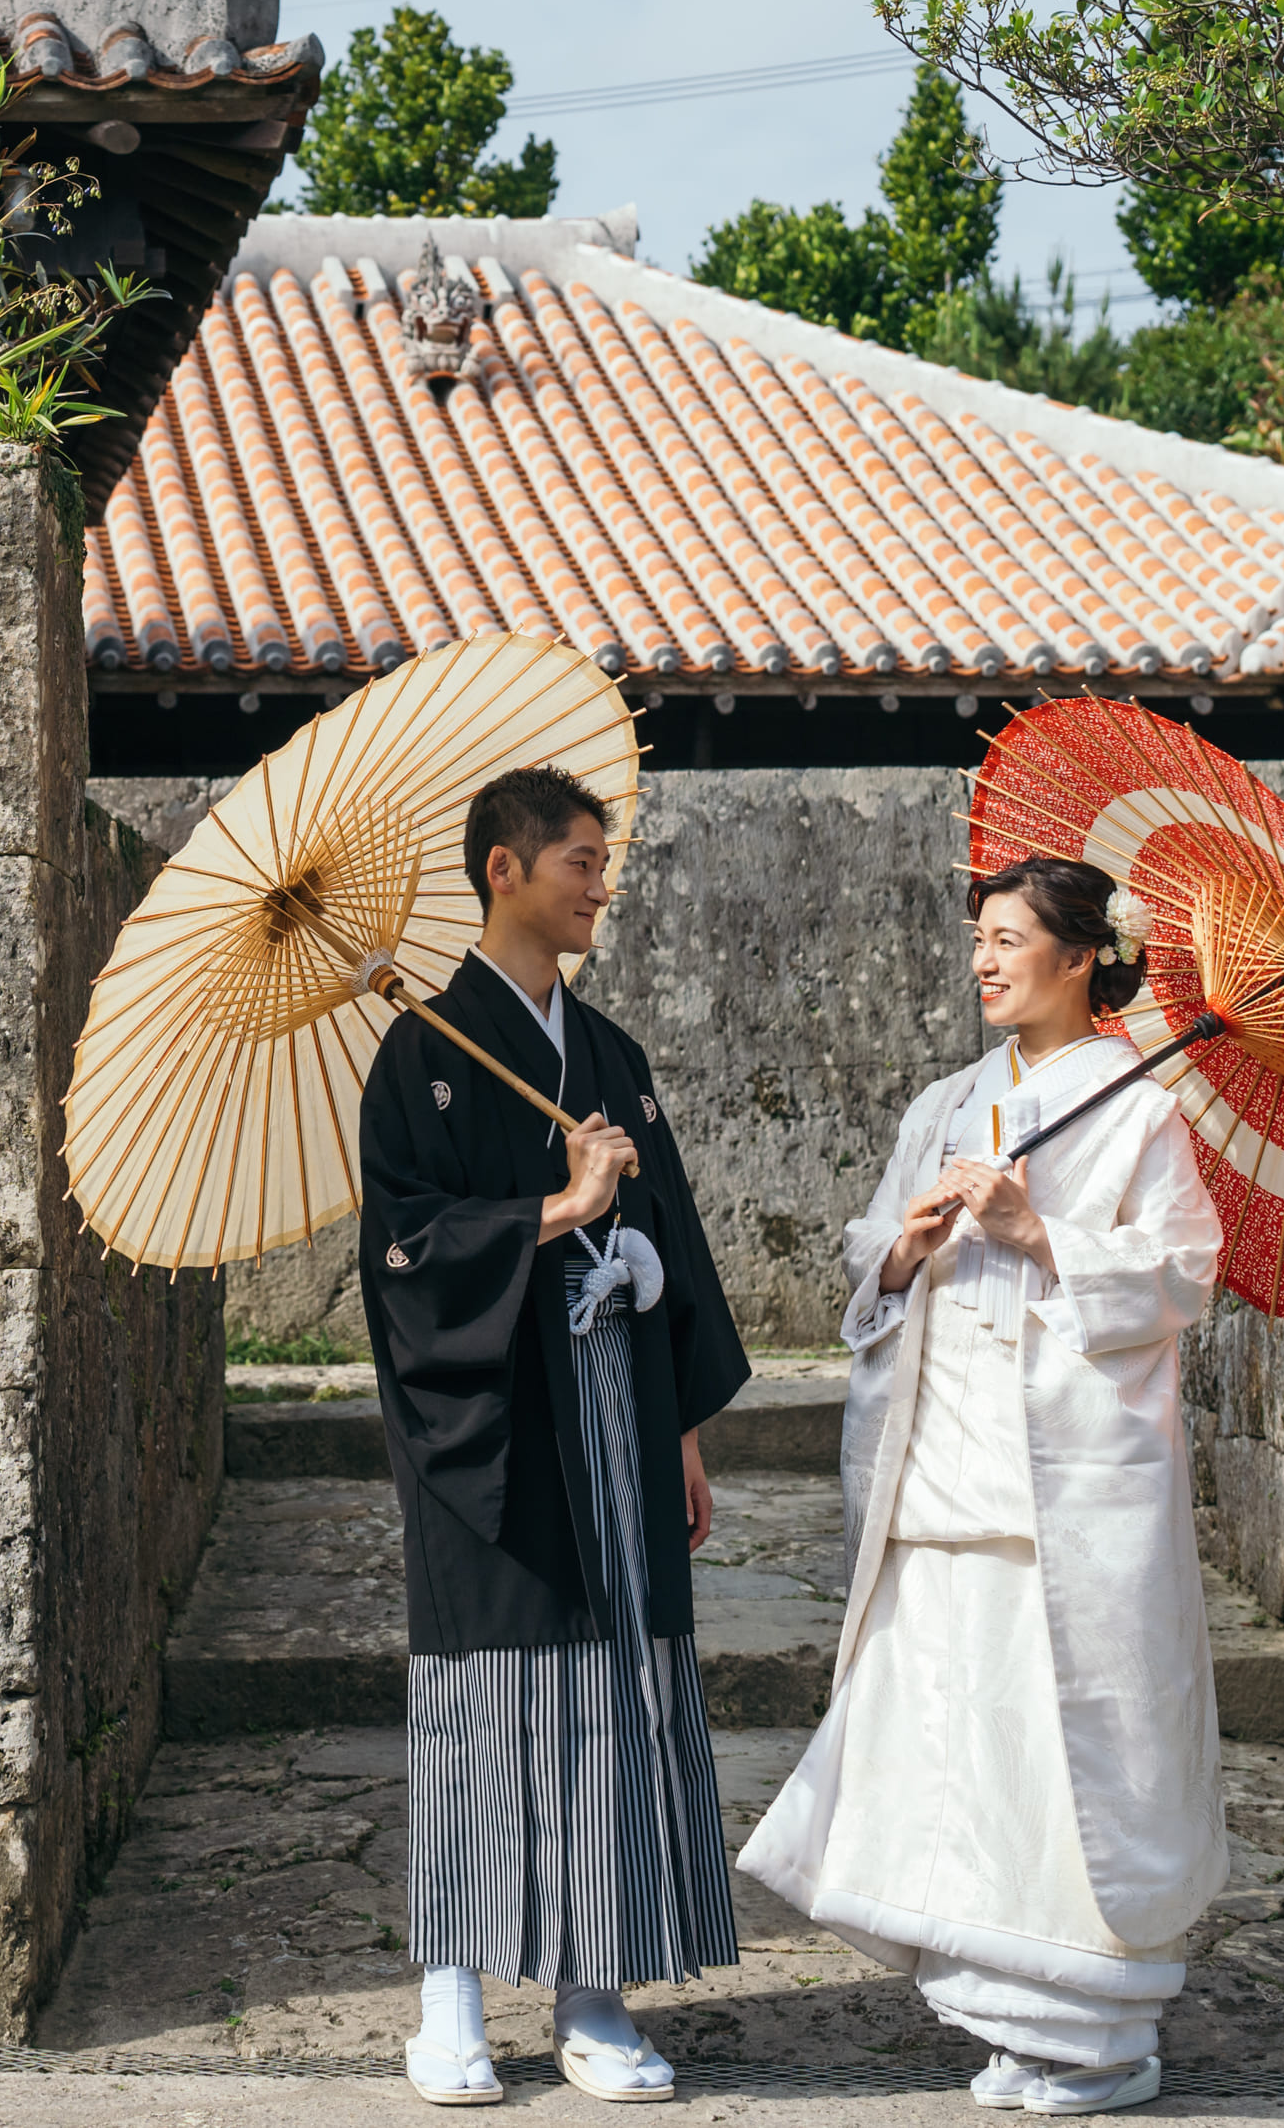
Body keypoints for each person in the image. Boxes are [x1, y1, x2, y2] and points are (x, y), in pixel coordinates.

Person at [738, 854, 1227, 2118]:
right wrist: (902, 1247)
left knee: (1067, 1762)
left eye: (1012, 939)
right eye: (979, 940)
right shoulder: (949, 1103)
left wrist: (1036, 1232)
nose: (985, 961)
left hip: (1064, 1490)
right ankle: (1009, 2017)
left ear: (1082, 956)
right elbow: (869, 1250)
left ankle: (1103, 2039)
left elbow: (1184, 1275)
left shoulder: (1137, 1109)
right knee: (957, 1751)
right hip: (941, 1472)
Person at [356, 764, 754, 2106]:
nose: (603, 881)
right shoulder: (421, 1053)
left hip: (619, 1423)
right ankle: (450, 1991)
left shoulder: (616, 1059)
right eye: (582, 858)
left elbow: (676, 1246)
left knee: (611, 1697)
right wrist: (559, 1205)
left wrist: (682, 1429)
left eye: (604, 858)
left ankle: (595, 1989)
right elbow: (404, 1255)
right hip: (493, 1428)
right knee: (486, 1697)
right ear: (504, 869)